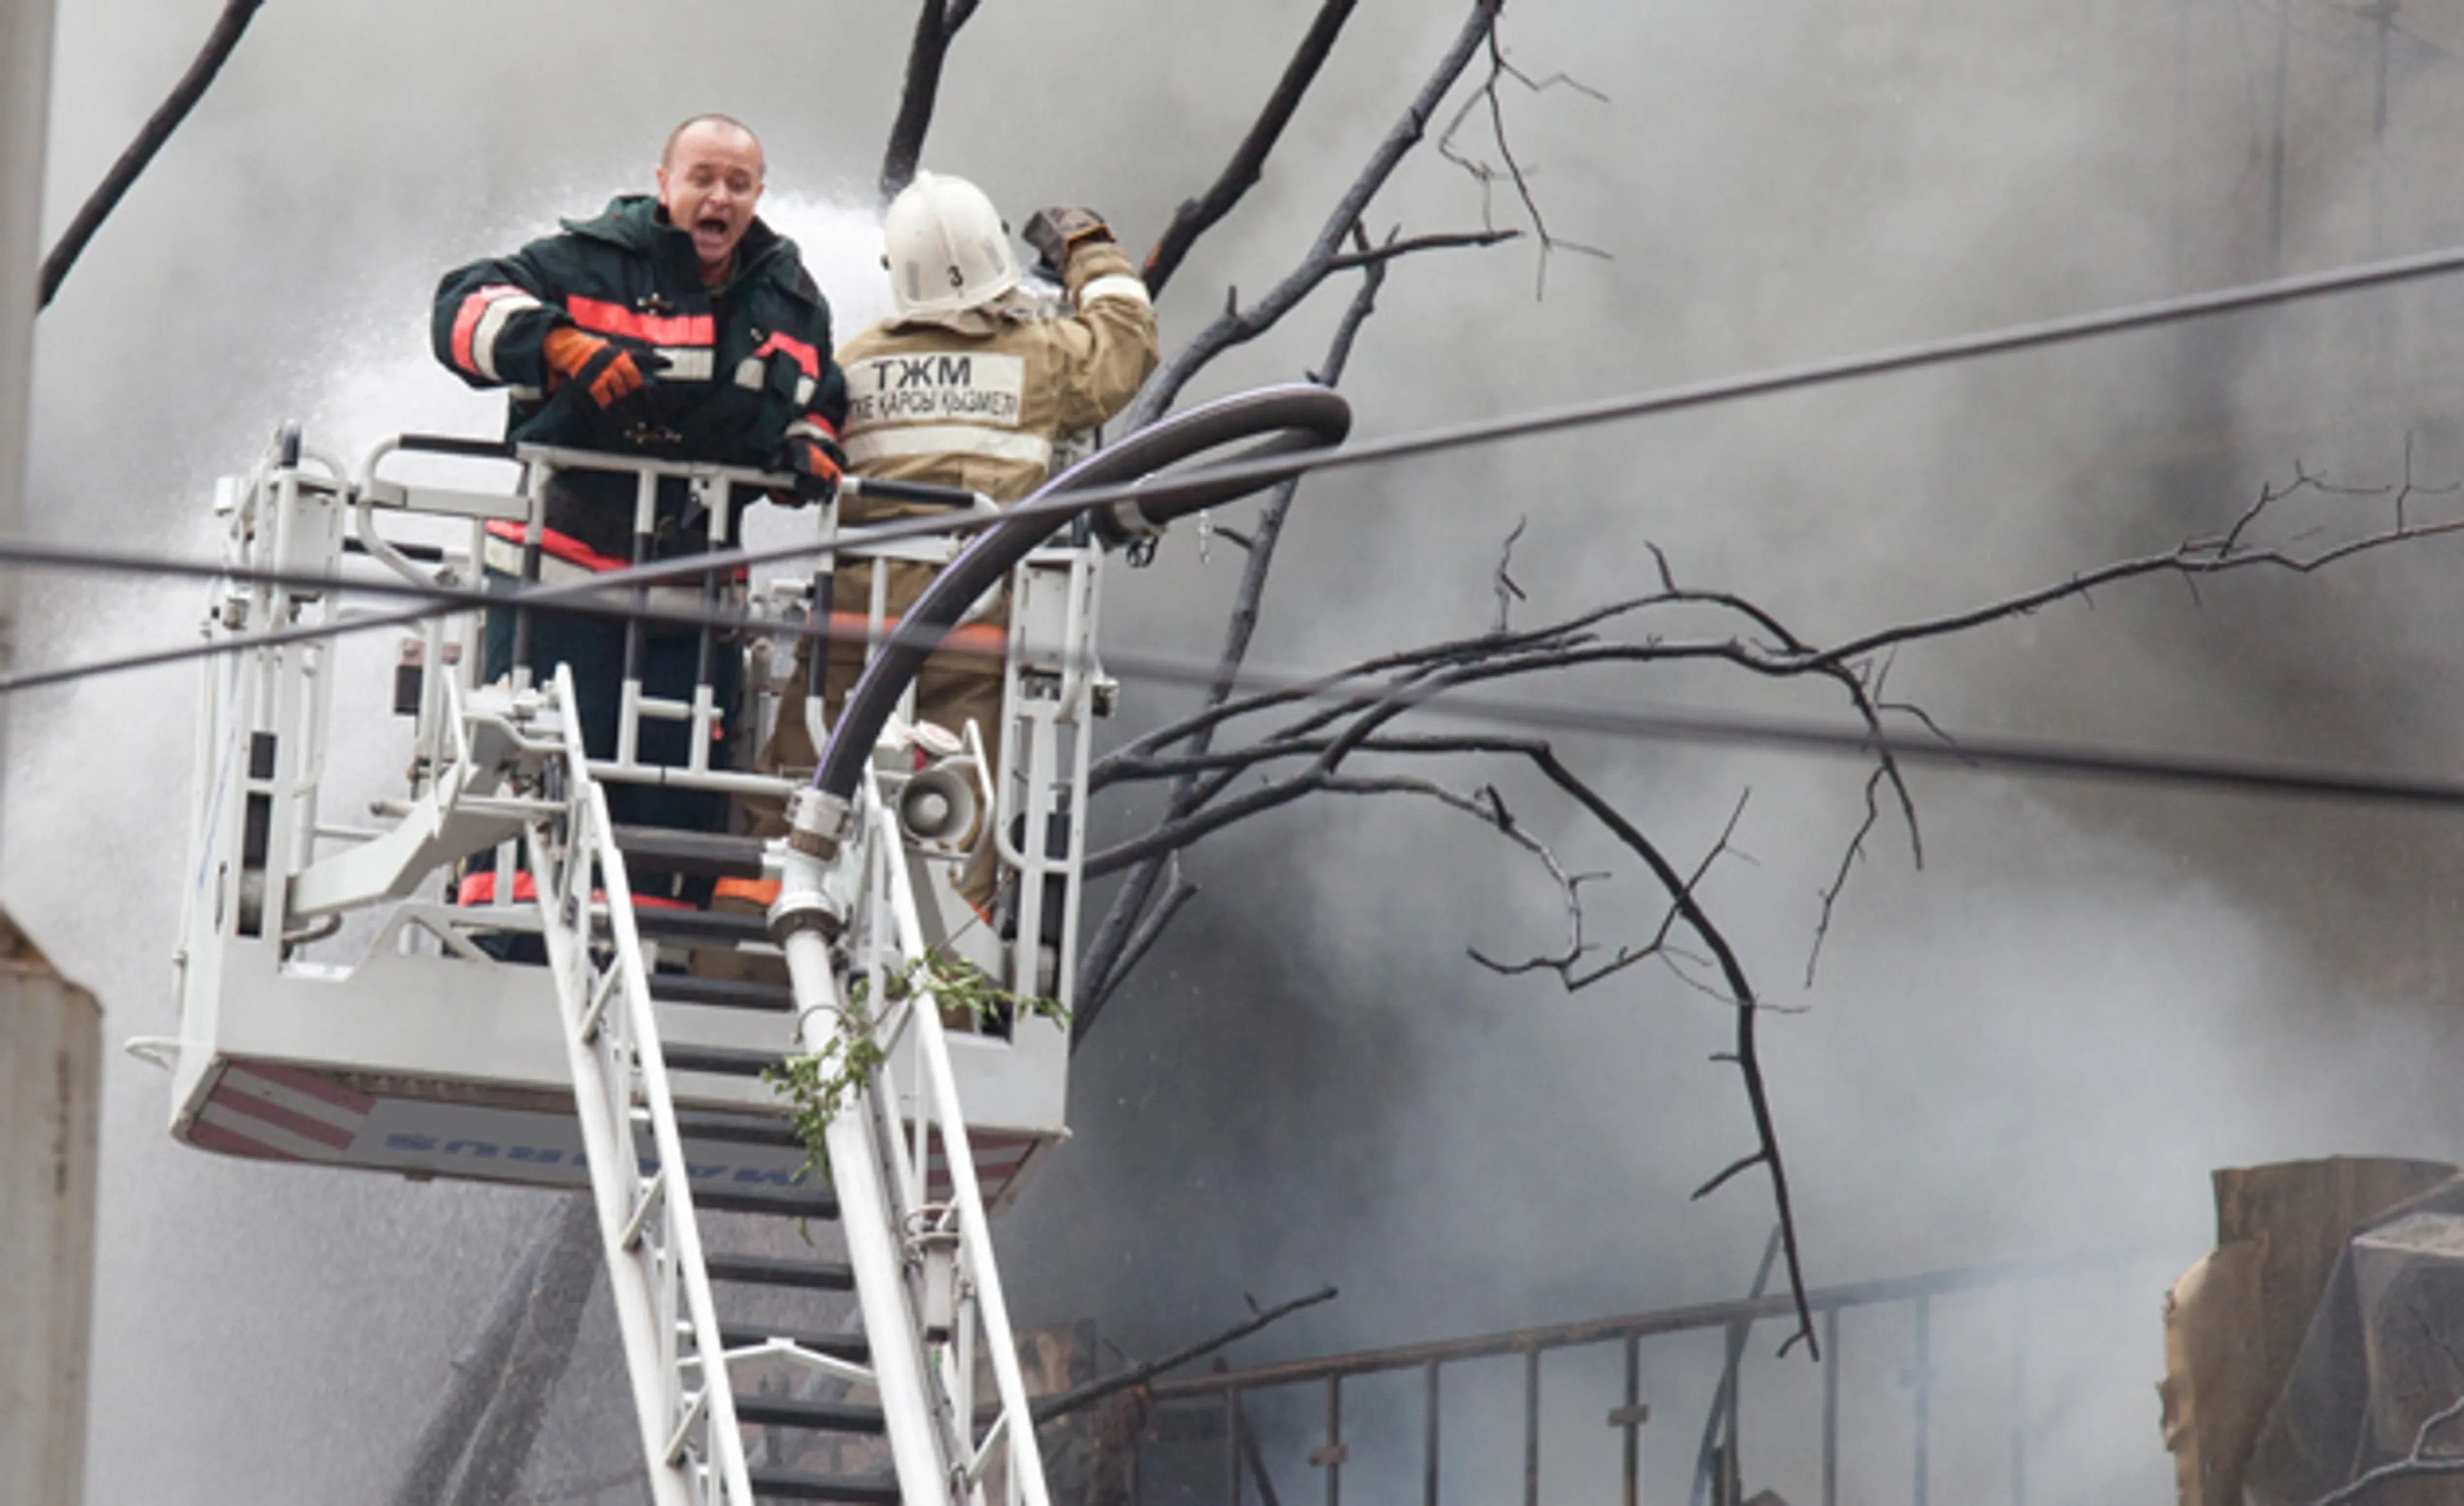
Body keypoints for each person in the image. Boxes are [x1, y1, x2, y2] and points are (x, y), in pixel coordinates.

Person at [431, 115, 849, 889]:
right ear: (664, 184)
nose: (719, 198)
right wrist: (558, 344)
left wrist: (805, 446)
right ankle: (509, 938)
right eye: (702, 179)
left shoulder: (788, 300)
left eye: (738, 184)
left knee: (667, 837)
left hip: (693, 618)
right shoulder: (584, 266)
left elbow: (820, 397)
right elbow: (459, 309)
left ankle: (657, 938)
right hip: (561, 597)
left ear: (759, 195)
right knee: (535, 817)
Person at [760, 171, 1158, 912]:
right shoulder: (1043, 356)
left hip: (847, 636)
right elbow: (1125, 343)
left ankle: (748, 951)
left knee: (788, 820)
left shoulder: (855, 362)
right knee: (949, 837)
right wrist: (1088, 247)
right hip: (970, 635)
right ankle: (939, 968)